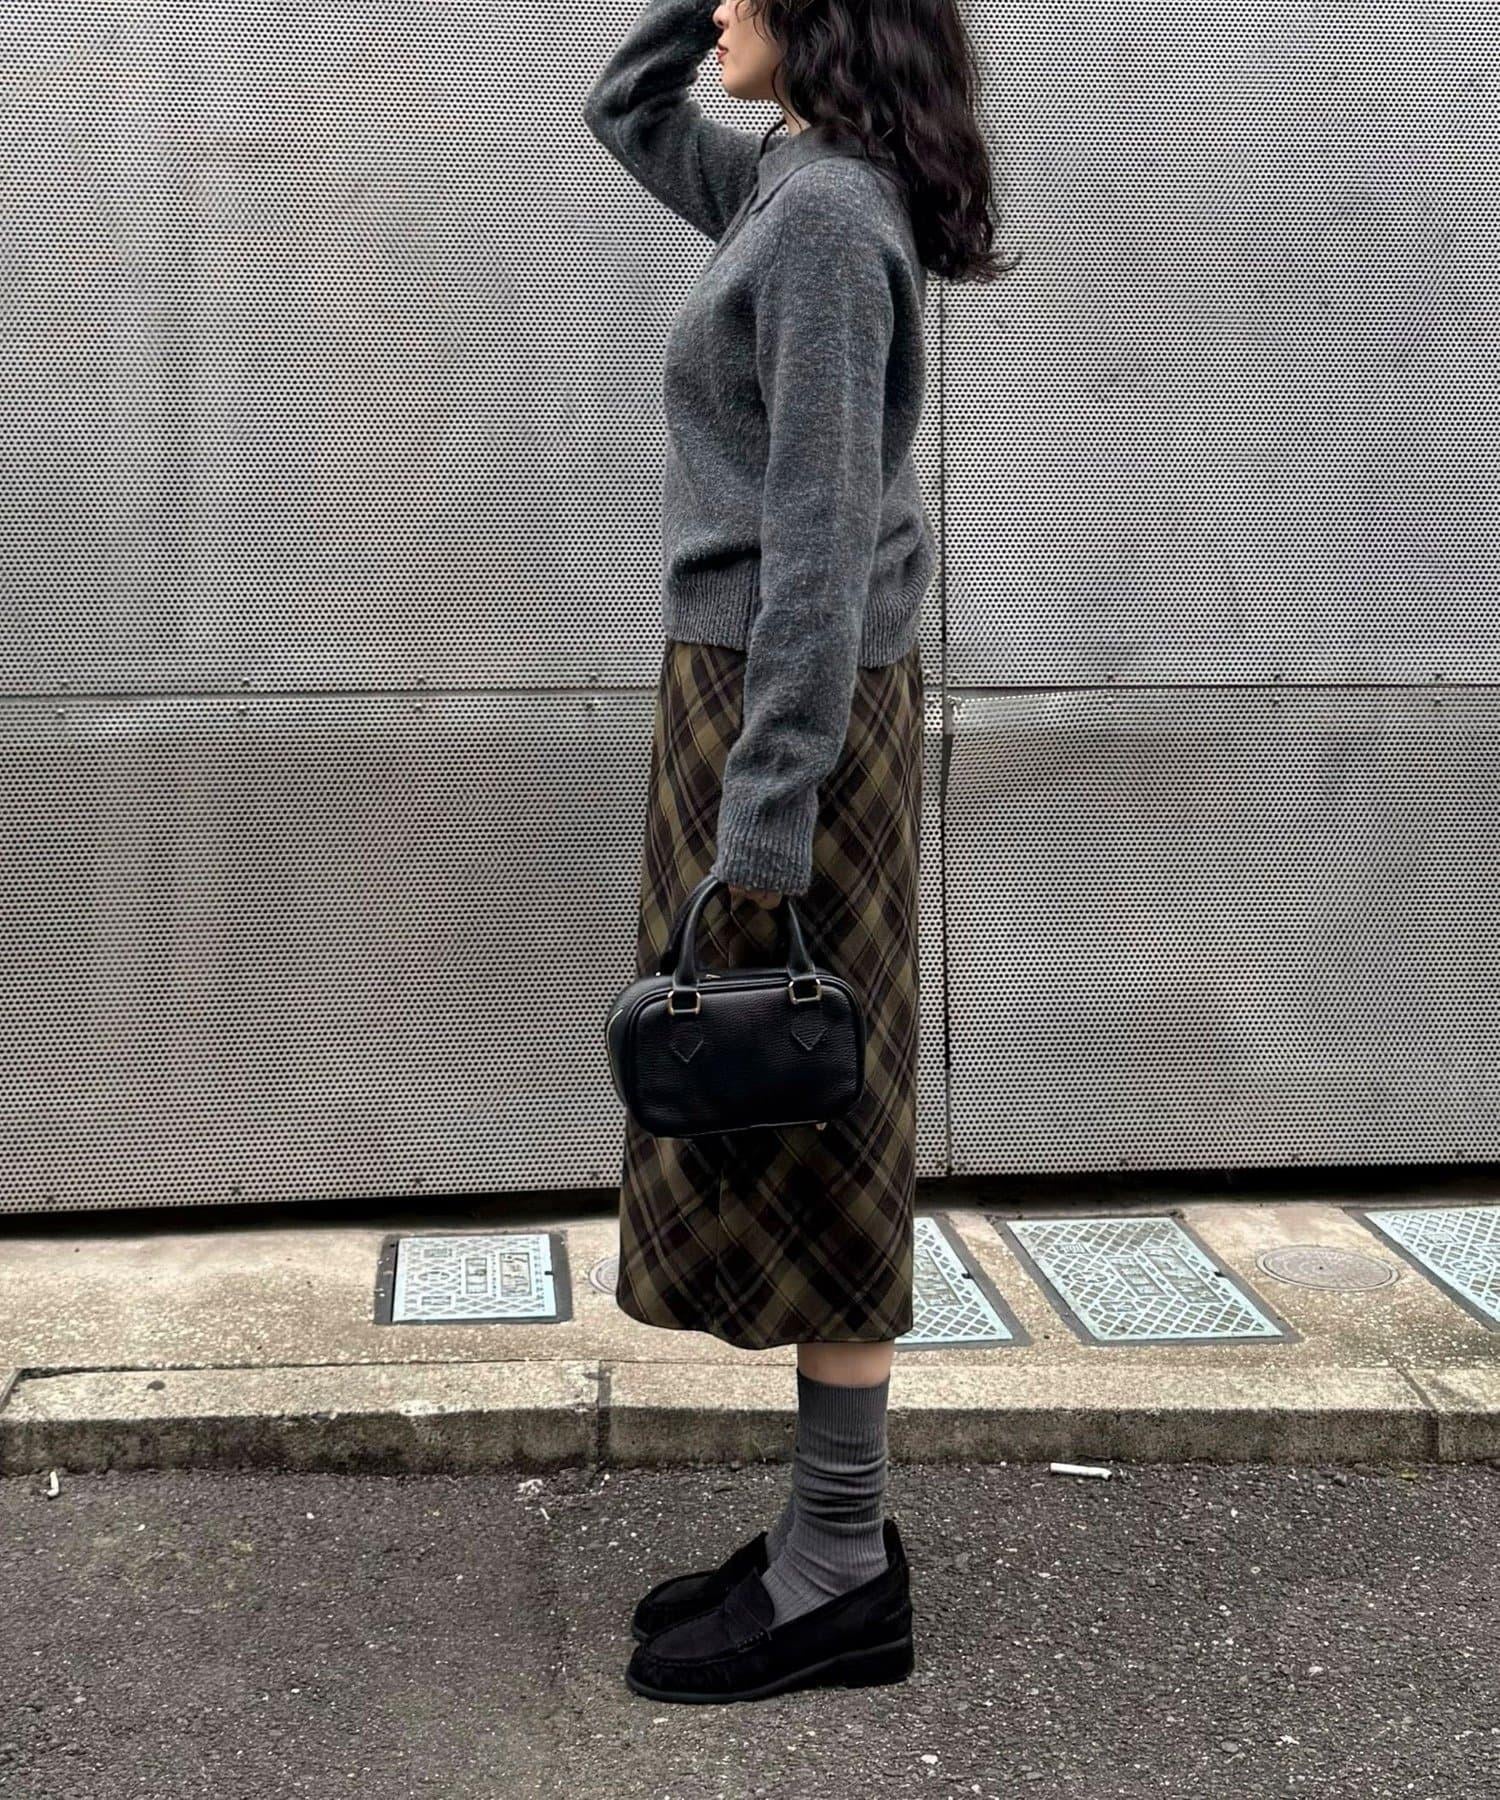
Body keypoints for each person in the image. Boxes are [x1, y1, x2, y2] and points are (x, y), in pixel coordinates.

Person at [583, 0, 1020, 1704]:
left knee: (823, 1118)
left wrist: (766, 811)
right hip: (755, 696)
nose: (718, 13)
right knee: (773, 1108)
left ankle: (840, 1562)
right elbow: (625, 112)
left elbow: (822, 546)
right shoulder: (789, 180)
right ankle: (822, 1537)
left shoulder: (827, 218)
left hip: (790, 712)